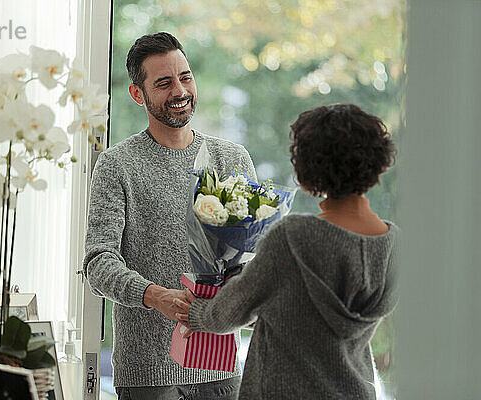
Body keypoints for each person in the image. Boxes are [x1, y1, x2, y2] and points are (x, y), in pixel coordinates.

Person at [174, 104, 399, 399]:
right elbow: (311, 317)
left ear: (308, 164)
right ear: (376, 162)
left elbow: (228, 314)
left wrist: (194, 313)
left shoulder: (292, 238)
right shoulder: (395, 244)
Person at [82, 32, 256, 399]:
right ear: (137, 94)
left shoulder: (232, 159)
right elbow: (98, 263)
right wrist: (154, 295)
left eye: (185, 77)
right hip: (148, 375)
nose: (180, 91)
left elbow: (250, 258)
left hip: (220, 365)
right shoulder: (118, 165)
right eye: (164, 83)